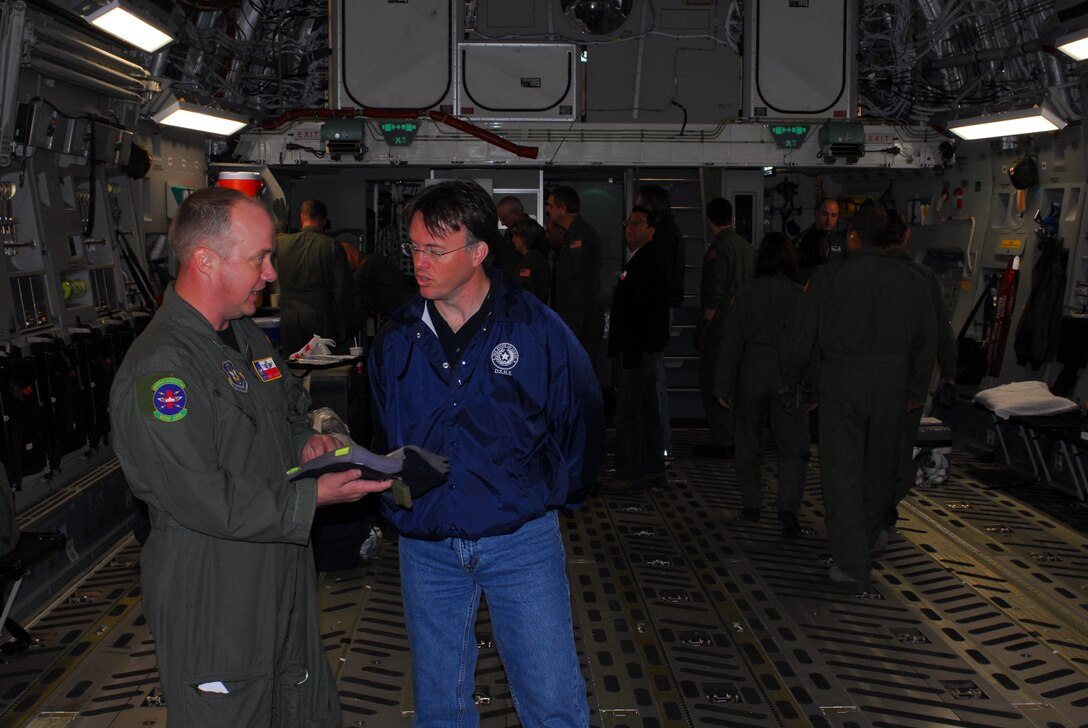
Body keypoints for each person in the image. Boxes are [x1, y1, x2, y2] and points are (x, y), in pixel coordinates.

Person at [109, 186, 392, 727]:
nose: (270, 275)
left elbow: (288, 408)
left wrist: (305, 443)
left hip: (278, 568)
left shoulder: (243, 337)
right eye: (259, 258)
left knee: (298, 705)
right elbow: (199, 495)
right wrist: (313, 495)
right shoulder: (164, 370)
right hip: (215, 587)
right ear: (206, 262)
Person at [369, 179, 603, 727]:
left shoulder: (535, 328)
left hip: (519, 542)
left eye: (434, 250)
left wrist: (546, 496)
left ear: (478, 252)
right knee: (440, 705)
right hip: (427, 546)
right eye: (414, 249)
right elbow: (383, 432)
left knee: (552, 700)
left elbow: (583, 417)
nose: (419, 263)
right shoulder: (397, 338)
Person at [781, 205, 936, 591]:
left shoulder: (829, 277)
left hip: (843, 381)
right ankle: (866, 541)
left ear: (852, 236)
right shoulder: (915, 280)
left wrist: (793, 380)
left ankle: (852, 563)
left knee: (842, 473)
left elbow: (801, 339)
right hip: (893, 384)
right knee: (880, 470)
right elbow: (928, 340)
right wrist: (916, 391)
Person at [714, 232, 809, 536]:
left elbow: (731, 343)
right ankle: (788, 511)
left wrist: (723, 385)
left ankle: (752, 505)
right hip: (788, 376)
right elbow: (812, 344)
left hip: (751, 372)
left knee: (747, 442)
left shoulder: (746, 293)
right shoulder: (801, 295)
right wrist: (814, 388)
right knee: (792, 447)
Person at [884, 211, 957, 529]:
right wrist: (950, 374)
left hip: (867, 380)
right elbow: (941, 331)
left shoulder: (855, 274)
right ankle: (887, 503)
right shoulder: (923, 277)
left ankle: (871, 506)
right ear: (907, 235)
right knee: (901, 449)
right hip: (910, 382)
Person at [604, 206, 669, 491]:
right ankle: (652, 469)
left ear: (652, 230)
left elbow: (644, 311)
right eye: (629, 223)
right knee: (646, 410)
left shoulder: (648, 261)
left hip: (637, 350)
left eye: (638, 223)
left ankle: (628, 473)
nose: (631, 227)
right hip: (641, 348)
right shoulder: (642, 259)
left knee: (629, 412)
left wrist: (631, 349)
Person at [693, 197, 753, 458]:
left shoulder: (717, 250)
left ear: (709, 220)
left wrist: (704, 329)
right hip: (744, 325)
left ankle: (721, 439)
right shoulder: (745, 247)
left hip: (721, 327)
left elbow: (713, 296)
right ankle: (736, 436)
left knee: (715, 382)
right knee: (736, 382)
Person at [635, 184, 683, 461]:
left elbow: (658, 279)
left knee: (653, 379)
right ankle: (657, 442)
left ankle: (660, 445)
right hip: (661, 308)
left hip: (658, 310)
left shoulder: (662, 237)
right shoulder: (670, 232)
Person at [274, 198, 353, 355]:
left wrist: (281, 221)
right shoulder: (331, 246)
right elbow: (342, 290)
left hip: (289, 317)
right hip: (320, 316)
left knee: (294, 365)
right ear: (324, 220)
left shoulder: (282, 242)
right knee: (320, 368)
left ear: (302, 218)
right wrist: (342, 325)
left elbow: (273, 235)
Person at [544, 185, 604, 363]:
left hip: (580, 322)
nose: (548, 210)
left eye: (551, 206)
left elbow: (578, 285)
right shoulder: (571, 235)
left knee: (579, 375)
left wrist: (573, 328)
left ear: (563, 208)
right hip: (573, 320)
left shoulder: (580, 236)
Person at [503, 217, 551, 302]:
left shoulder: (531, 261)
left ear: (524, 237)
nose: (513, 240)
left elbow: (525, 290)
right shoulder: (532, 257)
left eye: (515, 236)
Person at [494, 195, 528, 271]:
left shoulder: (533, 232)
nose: (502, 223)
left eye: (504, 218)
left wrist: (519, 276)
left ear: (516, 213)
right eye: (500, 219)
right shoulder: (509, 232)